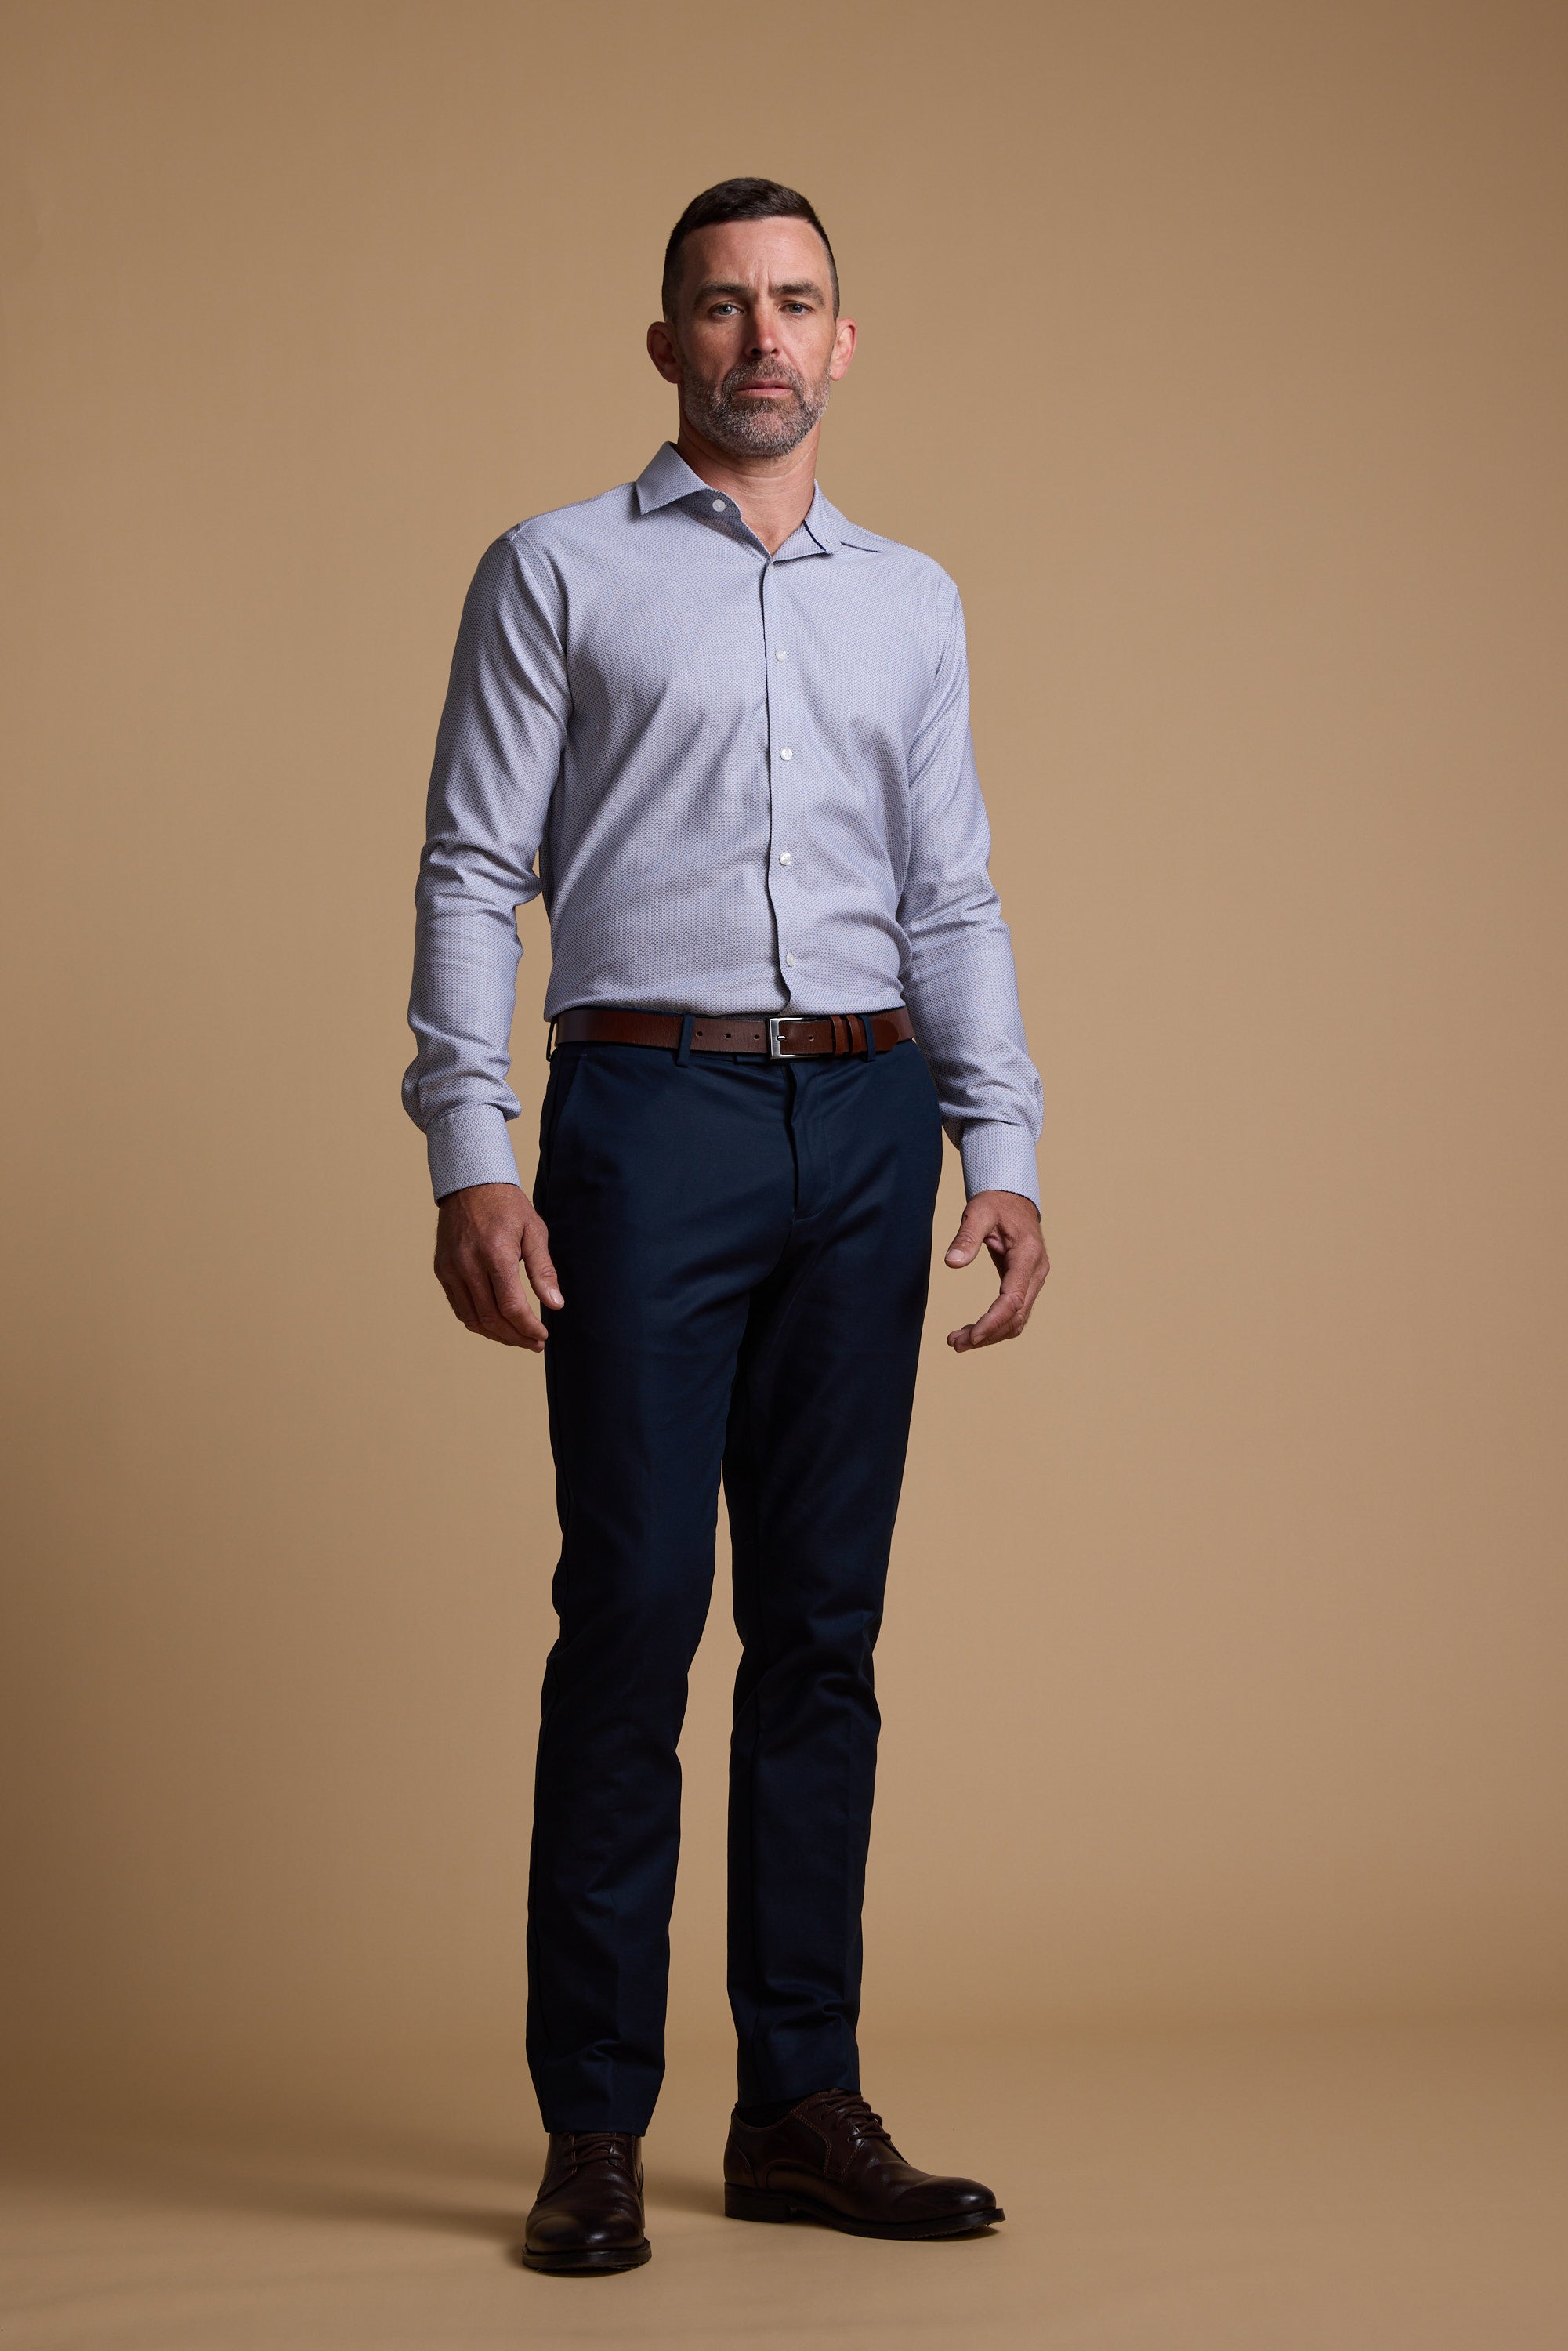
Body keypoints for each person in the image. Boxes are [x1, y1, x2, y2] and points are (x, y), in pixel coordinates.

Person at [403, 177, 1048, 2276]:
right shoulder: (556, 572)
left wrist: (1002, 1143)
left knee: (825, 1635)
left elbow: (947, 889)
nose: (762, 338)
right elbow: (467, 868)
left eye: (795, 304)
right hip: (646, 1112)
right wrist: (470, 1151)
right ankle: (592, 2127)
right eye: (720, 306)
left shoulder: (912, 600)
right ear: (665, 342)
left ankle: (796, 2104)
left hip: (866, 1116)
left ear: (842, 342)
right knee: (632, 1617)